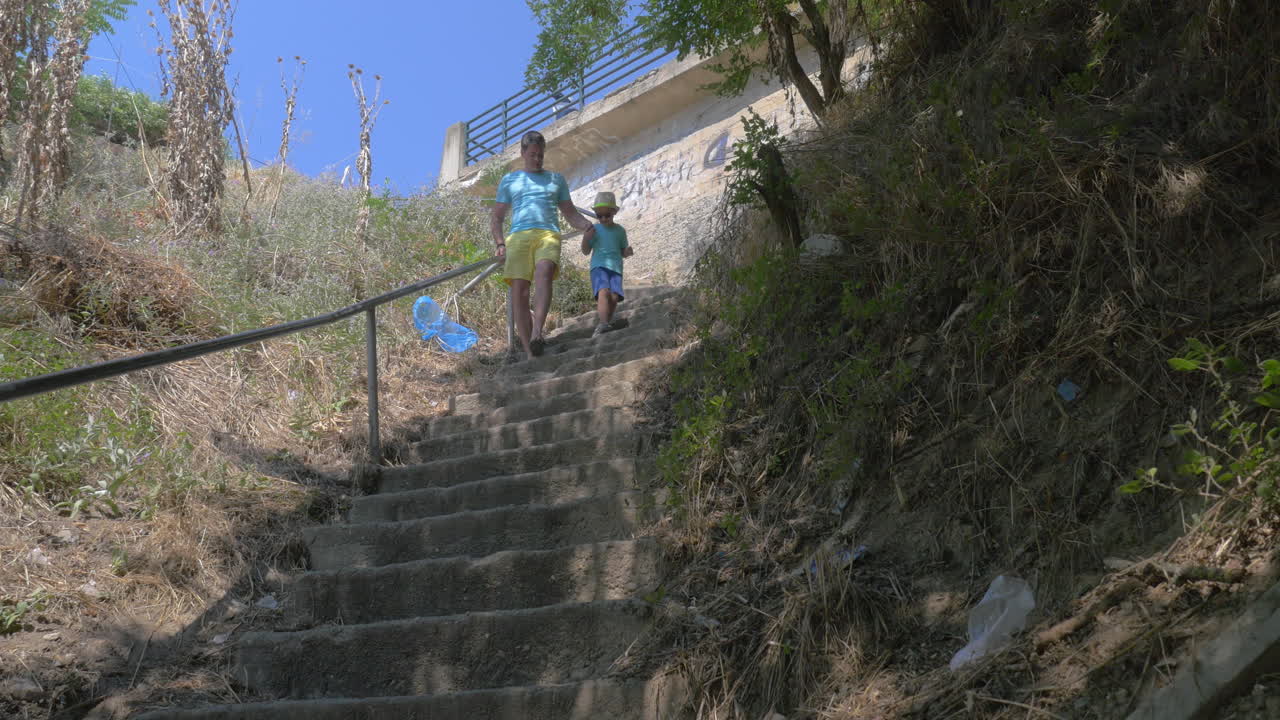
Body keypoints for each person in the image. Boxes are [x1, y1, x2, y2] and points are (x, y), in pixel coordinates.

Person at [490, 131, 596, 360]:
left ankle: (538, 332)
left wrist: (586, 225)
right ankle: (530, 353)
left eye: (541, 155)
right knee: (520, 291)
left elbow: (570, 214)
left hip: (548, 233)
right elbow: (497, 217)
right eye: (533, 155)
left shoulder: (555, 179)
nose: (537, 159)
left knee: (545, 271)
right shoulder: (510, 180)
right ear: (522, 153)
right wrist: (500, 243)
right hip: (518, 237)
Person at [580, 191, 633, 337]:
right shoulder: (594, 230)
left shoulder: (620, 231)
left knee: (614, 296)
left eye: (607, 215)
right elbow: (585, 251)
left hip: (616, 267)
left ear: (614, 213)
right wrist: (586, 238)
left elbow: (622, 251)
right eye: (599, 216)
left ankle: (604, 325)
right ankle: (604, 323)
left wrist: (627, 252)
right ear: (596, 214)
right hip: (598, 266)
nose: (603, 219)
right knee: (603, 291)